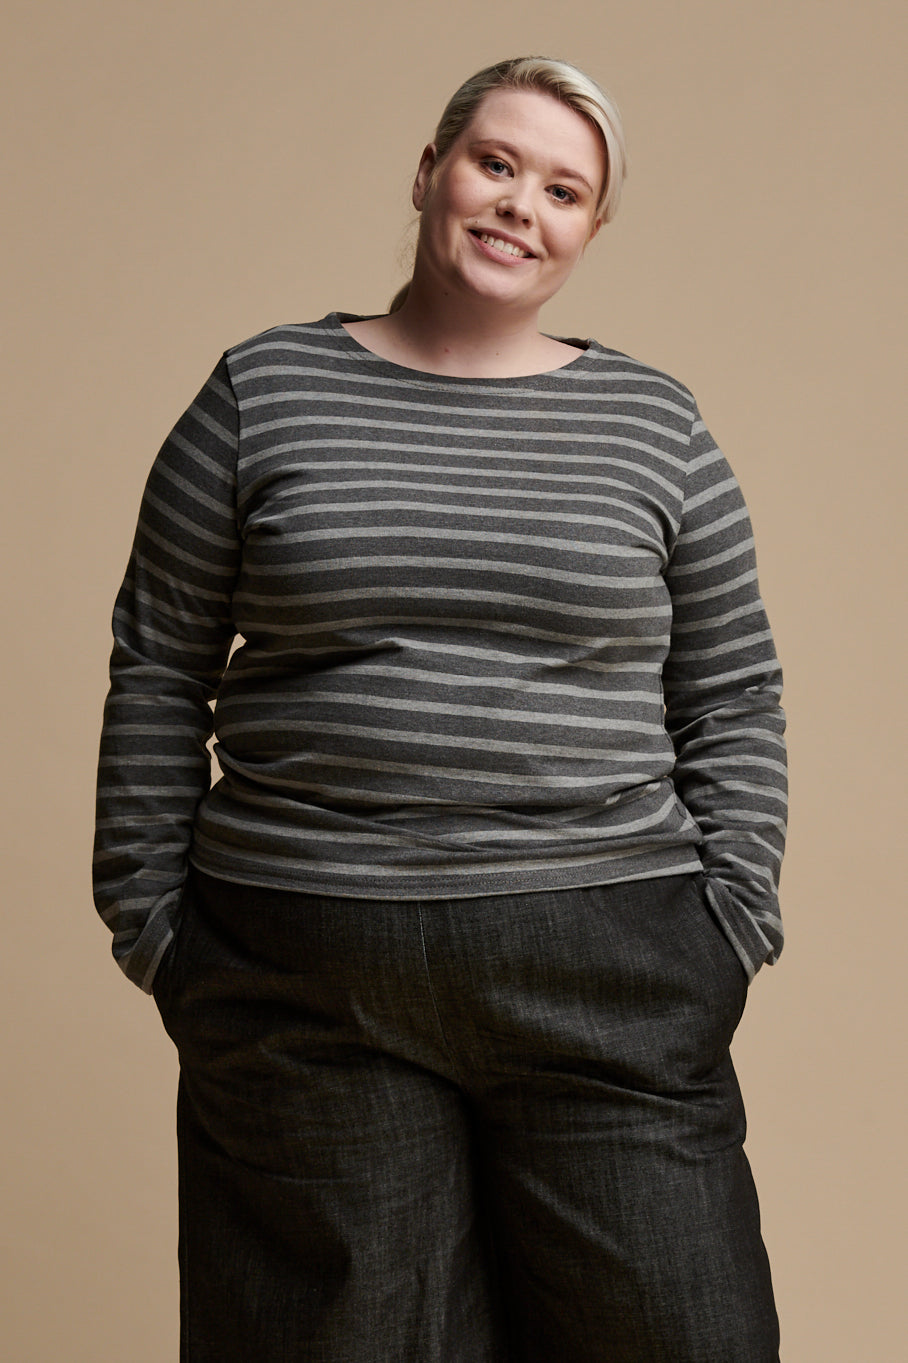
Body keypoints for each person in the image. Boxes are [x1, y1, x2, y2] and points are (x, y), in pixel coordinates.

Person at [93, 55, 787, 1363]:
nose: (522, 202)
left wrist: (733, 918)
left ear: (590, 231)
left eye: (565, 189)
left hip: (612, 964)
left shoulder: (654, 425)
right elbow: (159, 655)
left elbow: (734, 683)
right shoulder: (262, 395)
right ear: (430, 172)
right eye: (497, 162)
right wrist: (153, 922)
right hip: (306, 971)